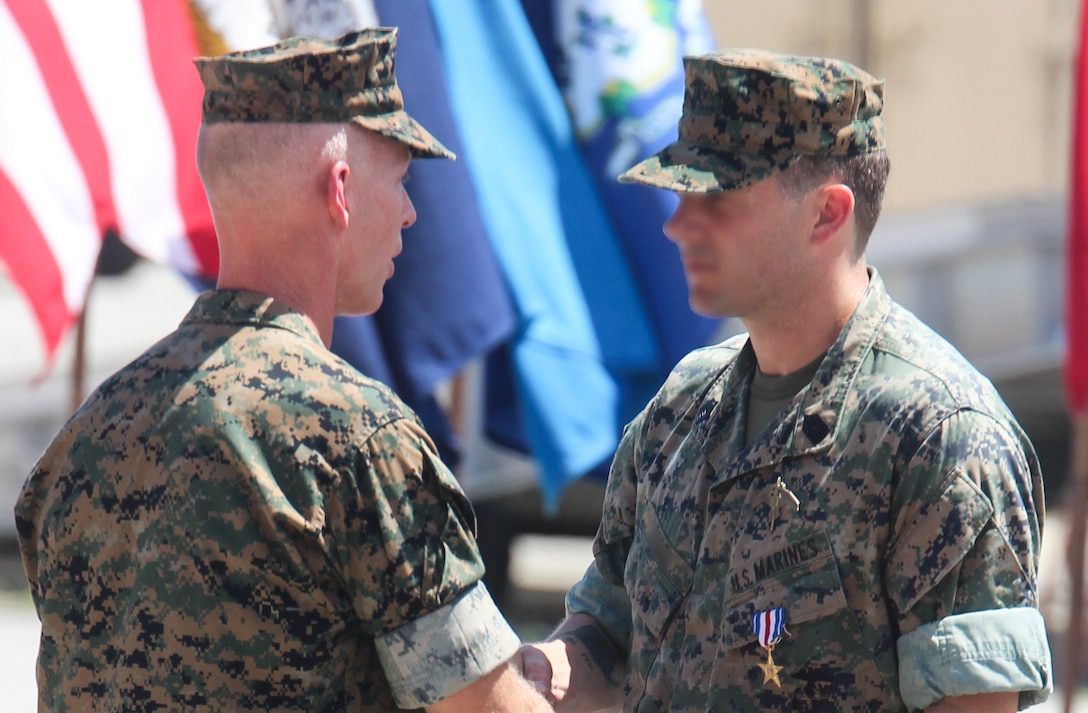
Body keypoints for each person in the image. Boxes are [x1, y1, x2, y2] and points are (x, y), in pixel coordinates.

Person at [15, 29, 551, 713]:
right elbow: (487, 706)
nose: (413, 212)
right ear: (341, 189)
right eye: (402, 178)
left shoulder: (82, 440)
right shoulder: (360, 438)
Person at [517, 49, 1052, 711]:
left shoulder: (939, 437)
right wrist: (541, 670)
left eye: (717, 199)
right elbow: (604, 626)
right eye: (682, 195)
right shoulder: (681, 409)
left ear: (827, 214)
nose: (679, 225)